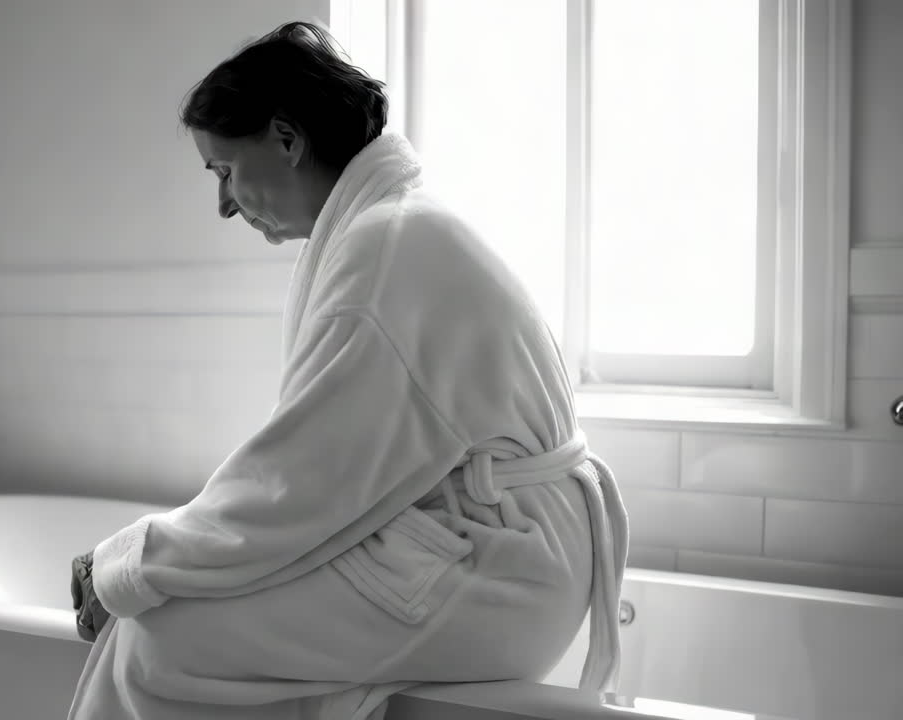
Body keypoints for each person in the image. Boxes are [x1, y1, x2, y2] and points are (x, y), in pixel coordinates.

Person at [67, 20, 629, 720]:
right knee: (183, 616)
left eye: (226, 172)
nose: (224, 205)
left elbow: (299, 489)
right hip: (503, 552)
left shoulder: (383, 249)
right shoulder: (392, 225)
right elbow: (313, 483)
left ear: (286, 138)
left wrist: (128, 562)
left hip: (501, 571)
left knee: (158, 641)